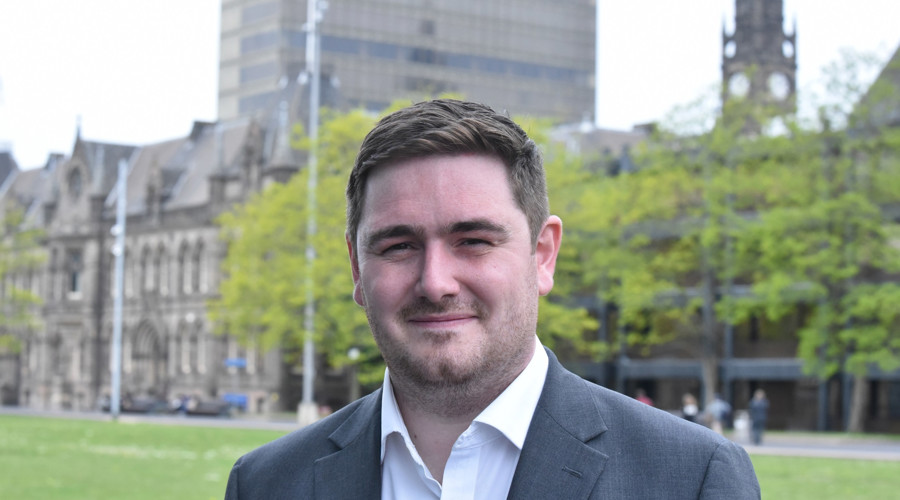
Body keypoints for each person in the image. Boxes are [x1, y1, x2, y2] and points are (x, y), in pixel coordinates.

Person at [224, 99, 760, 499]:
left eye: (474, 242)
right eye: (398, 245)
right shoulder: (267, 484)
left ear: (542, 254)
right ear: (356, 269)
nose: (436, 282)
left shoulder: (692, 479)